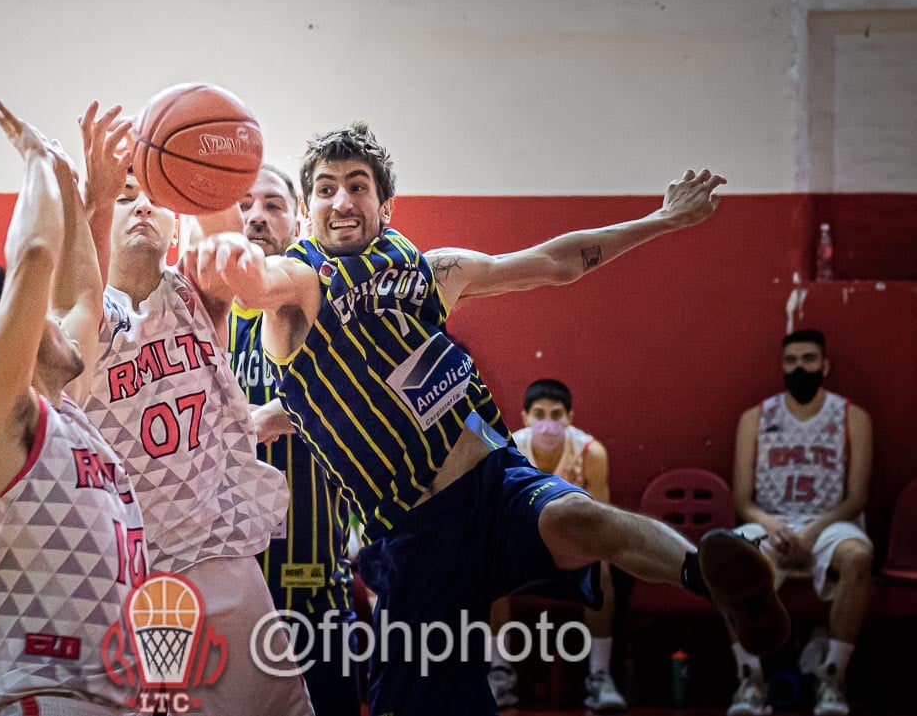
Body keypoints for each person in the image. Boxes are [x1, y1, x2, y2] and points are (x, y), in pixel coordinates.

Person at [195, 121, 790, 716]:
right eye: (326, 189)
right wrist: (227, 242)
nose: (343, 201)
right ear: (307, 211)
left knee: (580, 517)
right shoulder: (303, 283)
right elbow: (257, 285)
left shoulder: (431, 273)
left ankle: (708, 576)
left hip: (494, 483)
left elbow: (555, 262)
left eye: (358, 185)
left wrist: (661, 220)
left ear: (386, 204)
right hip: (414, 535)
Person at [80, 117, 311, 712]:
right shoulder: (80, 317)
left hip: (219, 547)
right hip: (127, 566)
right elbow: (70, 276)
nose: (139, 209)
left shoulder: (193, 294)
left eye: (151, 200)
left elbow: (222, 232)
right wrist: (98, 192)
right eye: (126, 199)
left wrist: (204, 154)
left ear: (173, 220)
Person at [0, 100, 147, 716]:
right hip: (35, 698)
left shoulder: (61, 412)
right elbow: (36, 260)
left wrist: (83, 197)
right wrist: (35, 161)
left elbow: (83, 295)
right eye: (36, 316)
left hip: (105, 696)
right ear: (10, 337)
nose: (55, 319)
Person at [229, 164, 361, 716]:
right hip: (224, 574)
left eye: (273, 205)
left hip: (312, 573)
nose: (256, 216)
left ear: (301, 218)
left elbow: (347, 400)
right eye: (243, 204)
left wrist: (260, 419)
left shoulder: (332, 303)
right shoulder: (194, 315)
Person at [726, 329, 873, 716]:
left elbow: (856, 497)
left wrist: (812, 533)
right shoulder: (755, 418)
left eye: (808, 360)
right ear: (782, 366)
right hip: (771, 522)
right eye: (791, 361)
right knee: (727, 556)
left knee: (858, 556)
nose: (799, 368)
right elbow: (742, 498)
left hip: (828, 523)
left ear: (825, 366)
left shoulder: (851, 417)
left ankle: (831, 677)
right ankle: (750, 680)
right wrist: (771, 526)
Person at [485, 379, 626, 711]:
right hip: (523, 546)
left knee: (602, 570)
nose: (547, 422)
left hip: (575, 550)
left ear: (570, 417)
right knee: (489, 563)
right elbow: (498, 522)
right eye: (539, 413)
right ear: (524, 417)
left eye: (556, 413)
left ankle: (600, 676)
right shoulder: (508, 452)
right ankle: (500, 671)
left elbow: (601, 526)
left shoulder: (591, 454)